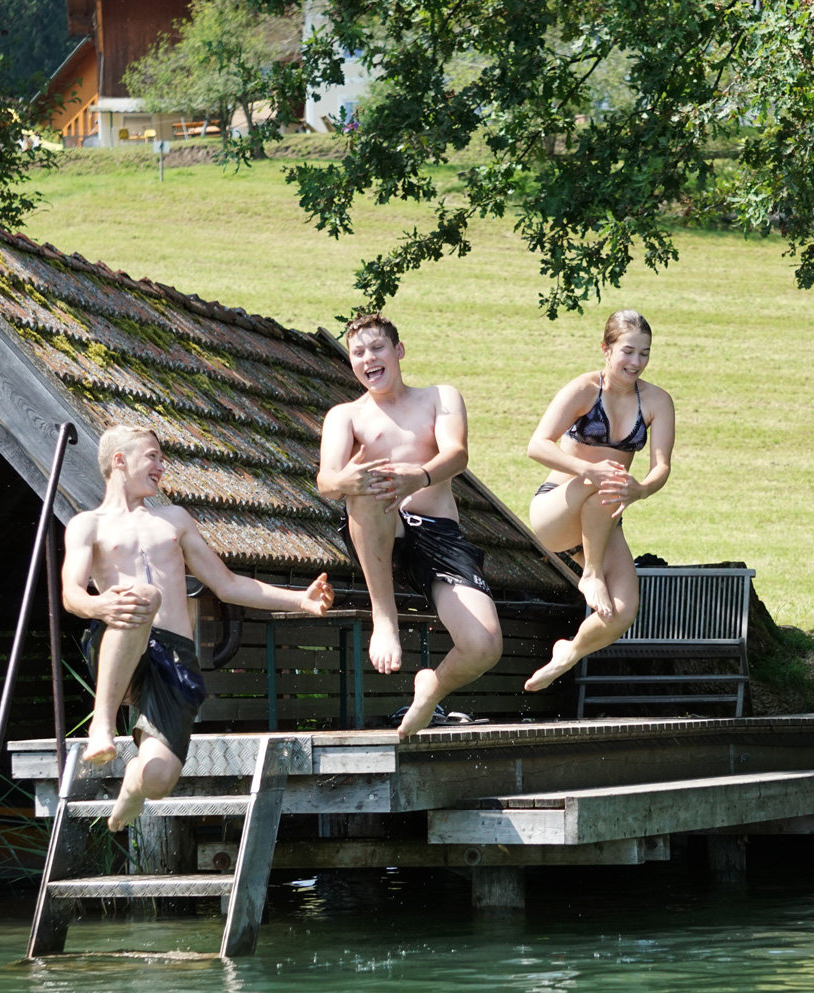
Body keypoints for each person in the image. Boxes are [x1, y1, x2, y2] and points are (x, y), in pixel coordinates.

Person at [62, 424, 333, 831]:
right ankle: (101, 723)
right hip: (116, 637)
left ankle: (134, 788)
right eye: (151, 456)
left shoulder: (174, 520)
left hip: (174, 654)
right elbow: (71, 594)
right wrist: (99, 604)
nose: (161, 465)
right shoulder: (88, 525)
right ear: (120, 460)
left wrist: (299, 599)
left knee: (160, 778)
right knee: (144, 595)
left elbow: (227, 585)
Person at [317, 313, 503, 739]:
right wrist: (348, 479)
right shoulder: (345, 416)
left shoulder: (440, 397)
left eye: (377, 348)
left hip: (438, 532)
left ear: (398, 351)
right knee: (367, 485)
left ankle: (430, 689)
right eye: (358, 352)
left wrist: (415, 479)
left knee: (485, 646)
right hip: (383, 528)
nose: (368, 359)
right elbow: (326, 480)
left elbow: (456, 454)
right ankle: (385, 617)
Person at [524, 309, 675, 691]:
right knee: (608, 473)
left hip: (604, 517)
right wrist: (585, 470)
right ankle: (590, 575)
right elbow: (537, 446)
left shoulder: (658, 401)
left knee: (623, 613)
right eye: (628, 351)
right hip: (557, 509)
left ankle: (570, 652)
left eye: (644, 353)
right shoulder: (583, 389)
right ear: (606, 349)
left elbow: (661, 467)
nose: (636, 362)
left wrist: (640, 489)